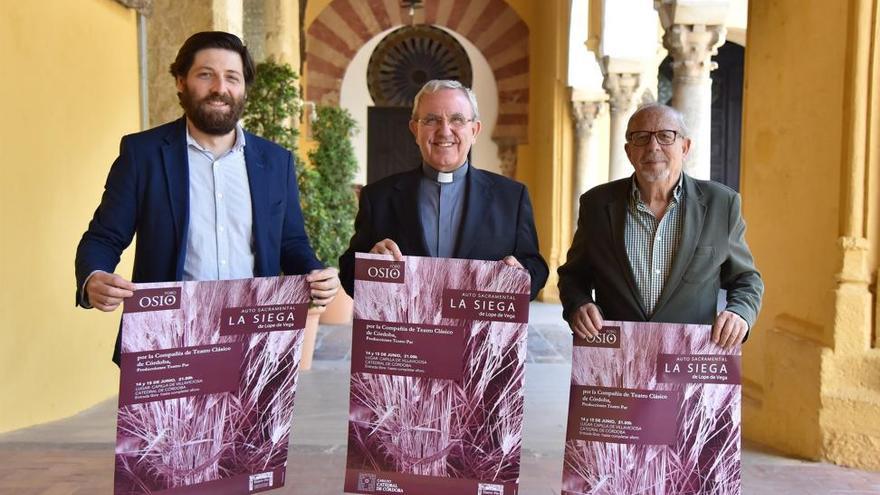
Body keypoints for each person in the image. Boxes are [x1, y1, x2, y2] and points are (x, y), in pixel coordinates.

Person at [75, 31, 340, 363]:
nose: (220, 88)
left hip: (255, 342)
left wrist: (316, 273)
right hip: (168, 341)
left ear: (244, 89)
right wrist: (94, 276)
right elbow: (104, 237)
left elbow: (291, 243)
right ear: (181, 81)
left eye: (232, 77)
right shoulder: (143, 154)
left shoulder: (275, 162)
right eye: (206, 75)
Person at [557, 103, 763, 349]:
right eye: (641, 137)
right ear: (628, 151)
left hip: (687, 359)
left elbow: (746, 279)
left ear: (685, 147)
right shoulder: (596, 205)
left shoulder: (722, 204)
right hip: (616, 360)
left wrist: (740, 313)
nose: (653, 146)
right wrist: (578, 304)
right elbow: (573, 276)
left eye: (666, 136)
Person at [339, 79, 548, 299]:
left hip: (478, 332)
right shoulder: (379, 197)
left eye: (457, 119)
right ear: (415, 130)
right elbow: (348, 271)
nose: (444, 131)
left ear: (474, 130)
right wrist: (370, 263)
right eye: (431, 120)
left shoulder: (511, 198)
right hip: (406, 331)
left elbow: (536, 266)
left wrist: (520, 274)